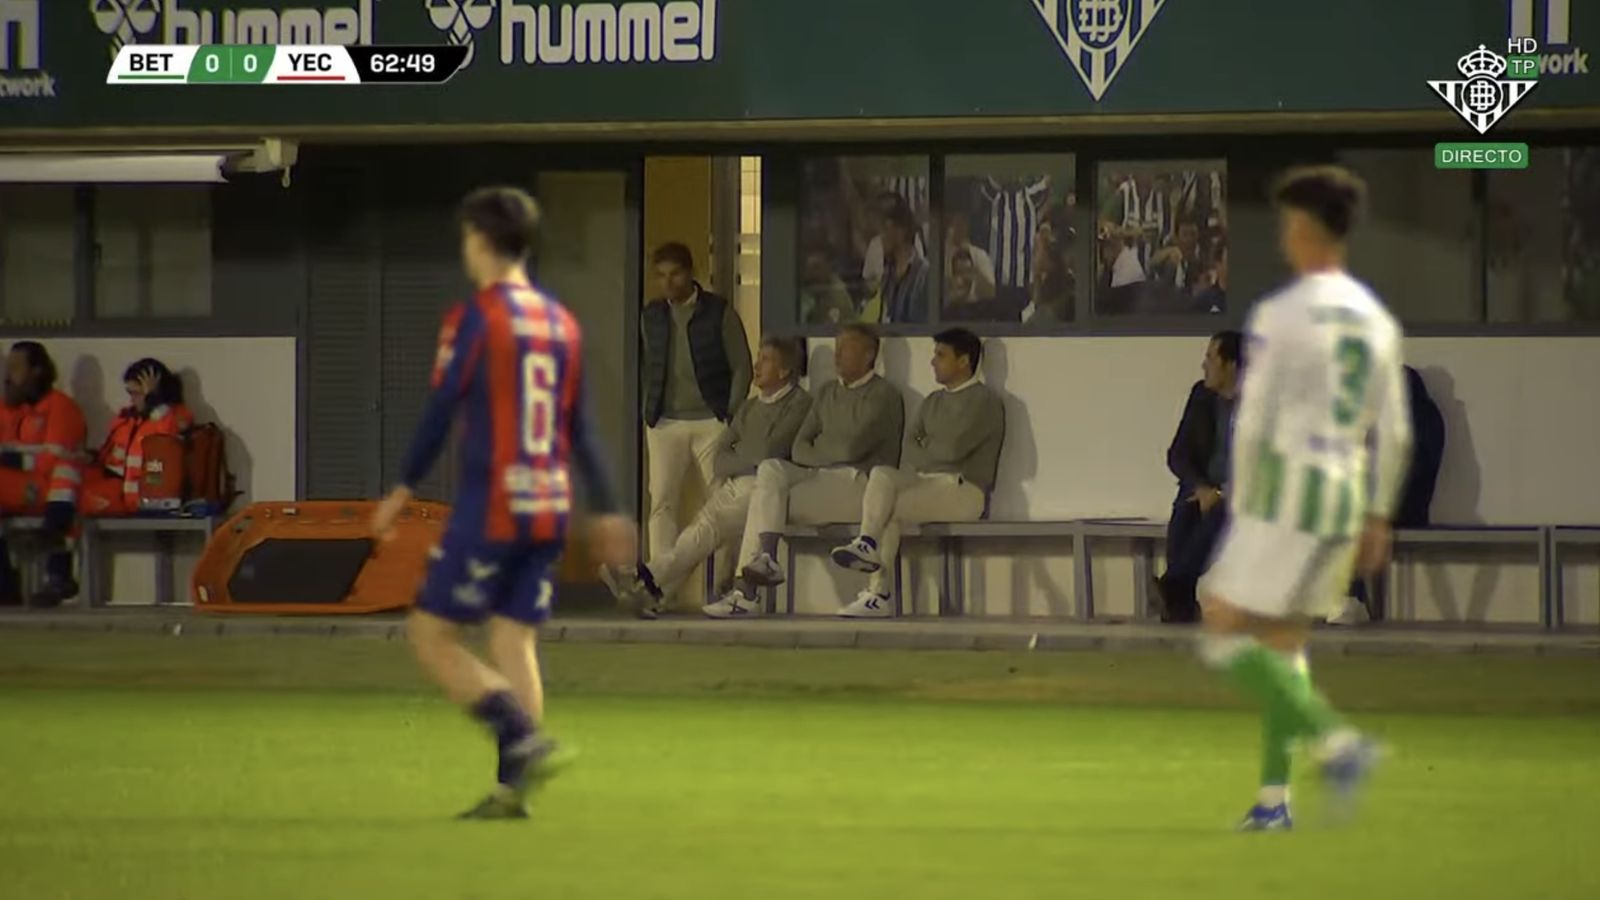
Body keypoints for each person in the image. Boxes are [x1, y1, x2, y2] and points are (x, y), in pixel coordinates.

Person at [369, 186, 637, 821]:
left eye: (467, 237)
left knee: (431, 634)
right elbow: (582, 428)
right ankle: (511, 793)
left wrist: (400, 491)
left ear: (481, 241)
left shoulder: (477, 318)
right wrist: (606, 508)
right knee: (514, 642)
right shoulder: (561, 322)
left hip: (494, 505)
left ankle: (520, 735)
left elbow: (441, 410)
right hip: (550, 504)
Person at [1197, 166, 1410, 831]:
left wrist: (1246, 501)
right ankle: (1272, 802)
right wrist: (1379, 511)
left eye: (1288, 223)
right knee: (1285, 648)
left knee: (1221, 623)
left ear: (1304, 231)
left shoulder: (1280, 315)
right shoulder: (1375, 319)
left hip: (1288, 493)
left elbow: (1253, 419)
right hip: (1344, 498)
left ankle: (1339, 745)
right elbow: (1396, 431)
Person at [601, 336, 812, 621]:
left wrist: (742, 457)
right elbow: (721, 456)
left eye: (765, 360)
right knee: (696, 536)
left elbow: (770, 451)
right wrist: (744, 458)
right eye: (758, 357)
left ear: (785, 371)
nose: (756, 365)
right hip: (737, 483)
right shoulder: (749, 407)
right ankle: (649, 586)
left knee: (701, 533)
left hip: (766, 487)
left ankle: (646, 580)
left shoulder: (799, 403)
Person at [829, 328, 1005, 618]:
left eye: (940, 355)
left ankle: (878, 593)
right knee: (883, 473)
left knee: (889, 509)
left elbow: (953, 450)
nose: (933, 362)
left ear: (963, 361)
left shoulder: (984, 401)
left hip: (966, 491)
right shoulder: (932, 401)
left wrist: (931, 446)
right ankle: (867, 546)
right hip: (928, 483)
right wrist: (934, 448)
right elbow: (911, 450)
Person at [736, 324, 904, 593]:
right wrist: (827, 452)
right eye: (836, 349)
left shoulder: (883, 395)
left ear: (869, 355)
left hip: (858, 484)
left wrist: (820, 450)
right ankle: (766, 557)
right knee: (770, 470)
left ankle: (744, 591)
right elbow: (799, 447)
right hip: (821, 478)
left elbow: (851, 450)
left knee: (761, 499)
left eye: (845, 349)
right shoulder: (826, 392)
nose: (836, 356)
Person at [639, 242, 752, 591]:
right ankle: (661, 587)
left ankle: (721, 584)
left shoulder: (718, 312)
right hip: (664, 420)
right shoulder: (651, 316)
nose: (667, 282)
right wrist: (649, 405)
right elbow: (647, 363)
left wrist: (730, 413)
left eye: (674, 274)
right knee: (661, 501)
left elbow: (741, 365)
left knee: (720, 505)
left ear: (690, 274)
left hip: (711, 419)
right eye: (660, 276)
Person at [1157, 331, 1243, 624]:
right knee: (1185, 510)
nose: (1204, 365)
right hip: (1206, 488)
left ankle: (1175, 585)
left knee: (1223, 510)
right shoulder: (1202, 396)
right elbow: (1177, 454)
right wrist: (1203, 487)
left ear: (1231, 365)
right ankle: (1179, 599)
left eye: (1210, 358)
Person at [0, 342, 87, 606]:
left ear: (37, 371)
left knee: (65, 471)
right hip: (20, 484)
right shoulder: (11, 410)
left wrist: (14, 459)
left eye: (16, 368)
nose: (8, 376)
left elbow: (56, 458)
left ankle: (56, 570)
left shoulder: (61, 407)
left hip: (48, 487)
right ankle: (5, 585)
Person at [81, 359, 194, 517]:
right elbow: (110, 458)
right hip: (117, 492)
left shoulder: (174, 416)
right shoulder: (126, 421)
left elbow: (166, 437)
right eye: (130, 393)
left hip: (149, 499)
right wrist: (90, 457)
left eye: (137, 393)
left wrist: (153, 400)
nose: (132, 399)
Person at [880, 205, 930, 324]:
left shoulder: (925, 274)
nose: (882, 237)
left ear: (900, 232)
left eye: (886, 229)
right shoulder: (888, 274)